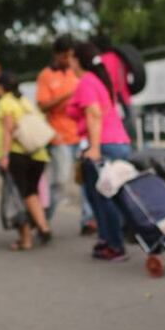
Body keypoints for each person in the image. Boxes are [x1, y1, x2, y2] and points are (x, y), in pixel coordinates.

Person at [68, 42, 132, 262]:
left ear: (77, 60)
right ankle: (107, 239)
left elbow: (94, 114)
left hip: (104, 145)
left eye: (71, 57)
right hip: (116, 142)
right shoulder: (98, 80)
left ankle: (115, 246)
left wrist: (94, 148)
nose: (69, 62)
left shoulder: (86, 81)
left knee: (104, 197)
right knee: (98, 195)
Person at [36, 35, 96, 233]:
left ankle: (88, 220)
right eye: (65, 56)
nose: (68, 60)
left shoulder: (77, 71)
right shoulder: (46, 75)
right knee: (60, 182)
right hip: (59, 137)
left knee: (87, 179)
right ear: (56, 55)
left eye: (71, 56)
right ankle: (42, 221)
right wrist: (67, 96)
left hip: (81, 135)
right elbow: (42, 106)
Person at [0, 72, 53, 251]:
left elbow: (8, 130)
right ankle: (43, 226)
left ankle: (26, 239)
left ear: (1, 87)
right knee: (31, 192)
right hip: (38, 154)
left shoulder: (5, 103)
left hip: (18, 154)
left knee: (17, 198)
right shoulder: (25, 102)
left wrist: (4, 156)